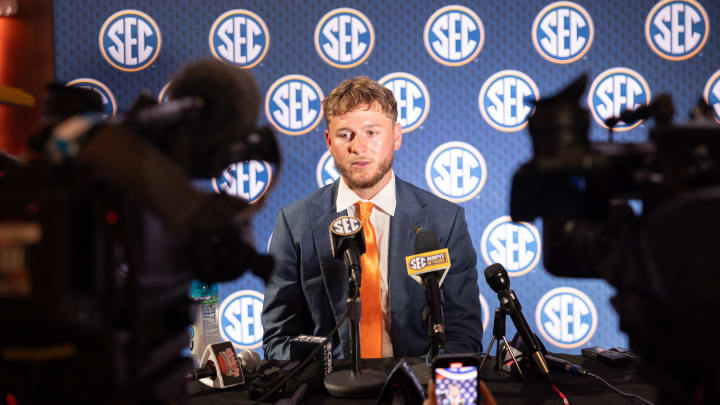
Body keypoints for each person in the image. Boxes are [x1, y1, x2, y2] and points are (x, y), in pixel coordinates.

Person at [262, 76, 483, 360]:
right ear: (329, 142)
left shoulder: (445, 221)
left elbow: (463, 334)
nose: (358, 147)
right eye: (345, 134)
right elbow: (278, 340)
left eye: (372, 132)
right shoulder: (295, 223)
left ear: (397, 136)